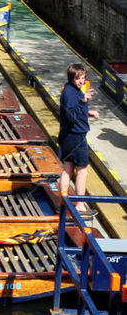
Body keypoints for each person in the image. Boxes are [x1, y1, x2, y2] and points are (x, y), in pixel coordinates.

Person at [57, 62, 100, 212]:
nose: (81, 81)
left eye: (83, 78)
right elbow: (71, 115)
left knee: (68, 167)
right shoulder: (71, 93)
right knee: (82, 170)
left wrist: (89, 112)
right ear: (71, 78)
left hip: (68, 136)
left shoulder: (72, 90)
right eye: (78, 78)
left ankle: (63, 199)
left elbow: (75, 110)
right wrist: (84, 100)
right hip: (75, 136)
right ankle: (80, 205)